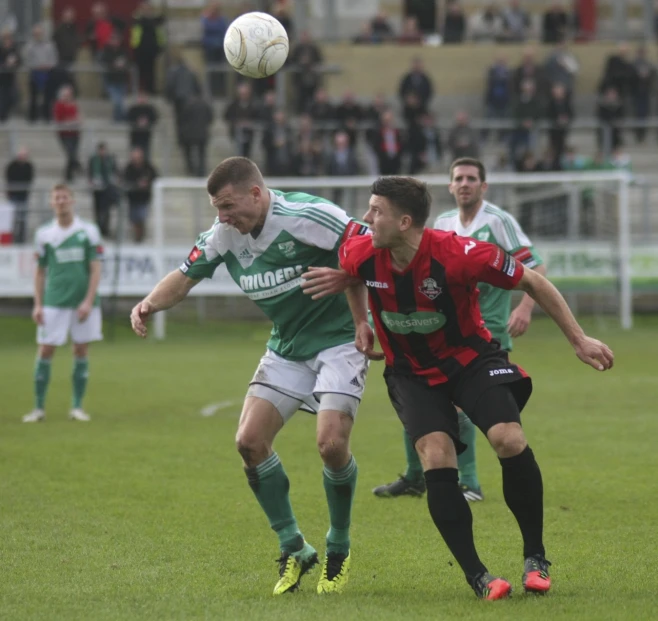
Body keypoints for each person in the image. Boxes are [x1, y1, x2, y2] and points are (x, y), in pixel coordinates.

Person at [301, 175, 613, 599]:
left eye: (377, 212)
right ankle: (478, 577)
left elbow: (533, 281)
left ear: (406, 221)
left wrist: (579, 339)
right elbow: (351, 276)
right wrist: (361, 322)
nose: (367, 219)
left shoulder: (461, 254)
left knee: (508, 438)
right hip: (410, 371)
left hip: (470, 360)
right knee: (436, 454)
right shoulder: (362, 250)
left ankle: (535, 557)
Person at [129, 156, 370, 595]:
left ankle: (339, 546)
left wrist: (348, 281)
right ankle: (294, 547)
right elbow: (184, 278)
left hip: (339, 341)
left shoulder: (307, 216)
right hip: (286, 348)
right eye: (217, 209)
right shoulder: (224, 235)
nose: (222, 217)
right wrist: (148, 303)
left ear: (256, 194)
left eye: (228, 206)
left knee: (331, 443)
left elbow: (372, 247)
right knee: (249, 443)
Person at [372, 157, 546, 501]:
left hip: (488, 329)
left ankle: (469, 482)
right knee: (419, 402)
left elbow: (533, 265)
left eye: (471, 178)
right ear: (450, 186)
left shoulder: (497, 221)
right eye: (458, 178)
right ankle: (416, 475)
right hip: (442, 332)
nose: (464, 184)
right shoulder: (443, 222)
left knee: (460, 410)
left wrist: (525, 307)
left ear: (483, 186)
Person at [23, 184, 103, 423]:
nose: (61, 201)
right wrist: (37, 304)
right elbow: (39, 272)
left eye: (65, 197)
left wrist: (88, 301)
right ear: (51, 203)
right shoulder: (44, 234)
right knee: (46, 349)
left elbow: (95, 268)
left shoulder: (88, 231)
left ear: (72, 201)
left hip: (83, 304)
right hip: (54, 301)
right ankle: (38, 409)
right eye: (56, 198)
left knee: (80, 349)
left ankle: (77, 407)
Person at [5, 147, 34, 244]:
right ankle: (12, 237)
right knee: (13, 217)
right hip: (14, 195)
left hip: (23, 195)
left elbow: (29, 179)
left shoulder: (28, 166)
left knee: (22, 218)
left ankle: (21, 238)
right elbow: (9, 178)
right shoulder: (12, 166)